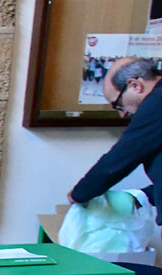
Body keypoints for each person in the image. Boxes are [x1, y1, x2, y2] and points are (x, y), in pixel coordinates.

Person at [68, 57, 162, 220]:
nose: (122, 113)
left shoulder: (157, 102)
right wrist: (144, 196)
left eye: (118, 104)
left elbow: (123, 156)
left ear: (135, 86)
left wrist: (79, 194)